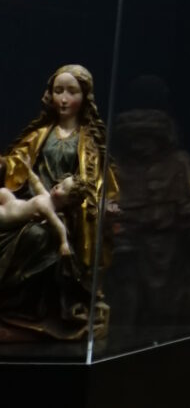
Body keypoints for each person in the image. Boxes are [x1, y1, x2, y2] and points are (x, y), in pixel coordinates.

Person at [0, 63, 118, 339]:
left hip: (69, 213)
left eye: (71, 92)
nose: (63, 99)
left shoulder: (90, 142)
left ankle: (30, 309)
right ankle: (11, 308)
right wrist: (4, 165)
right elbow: (18, 163)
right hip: (33, 203)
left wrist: (107, 202)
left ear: (84, 97)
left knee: (39, 236)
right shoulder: (41, 134)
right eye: (58, 91)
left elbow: (102, 182)